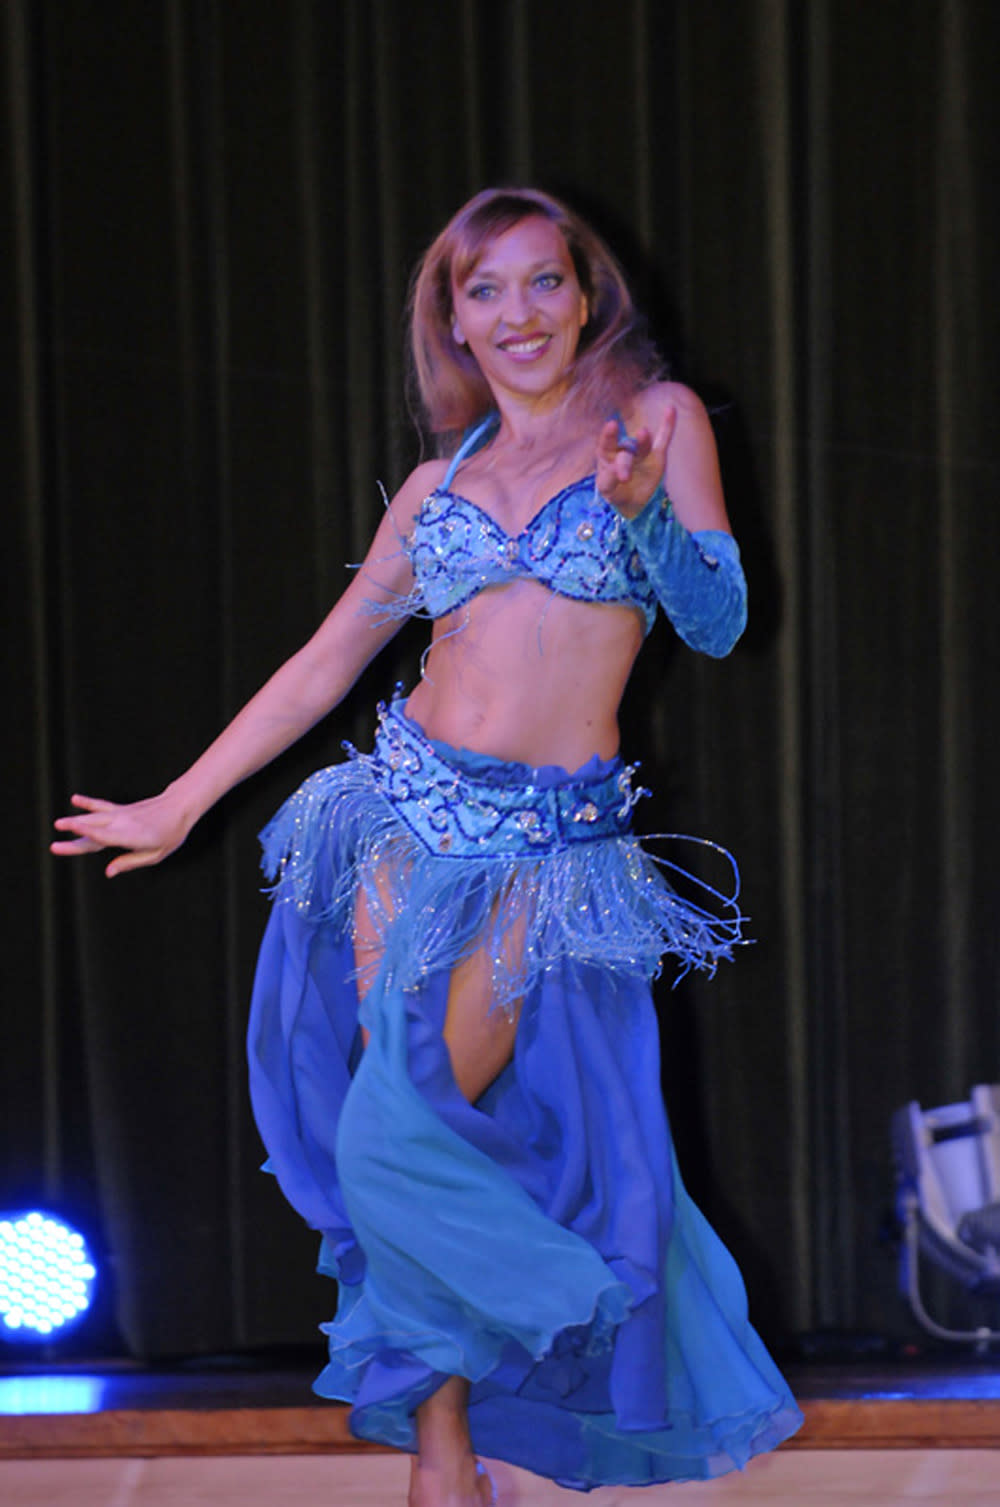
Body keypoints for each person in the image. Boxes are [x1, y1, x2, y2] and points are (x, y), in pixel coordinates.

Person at [53, 187, 802, 1504]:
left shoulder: (655, 423)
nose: (518, 314)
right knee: (399, 1123)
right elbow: (324, 664)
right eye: (484, 290)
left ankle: (510, 1377)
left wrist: (643, 515)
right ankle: (445, 1449)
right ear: (452, 320)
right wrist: (180, 802)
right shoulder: (434, 486)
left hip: (550, 854)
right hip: (403, 821)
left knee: (397, 1135)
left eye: (542, 281)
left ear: (587, 295)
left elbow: (722, 621)